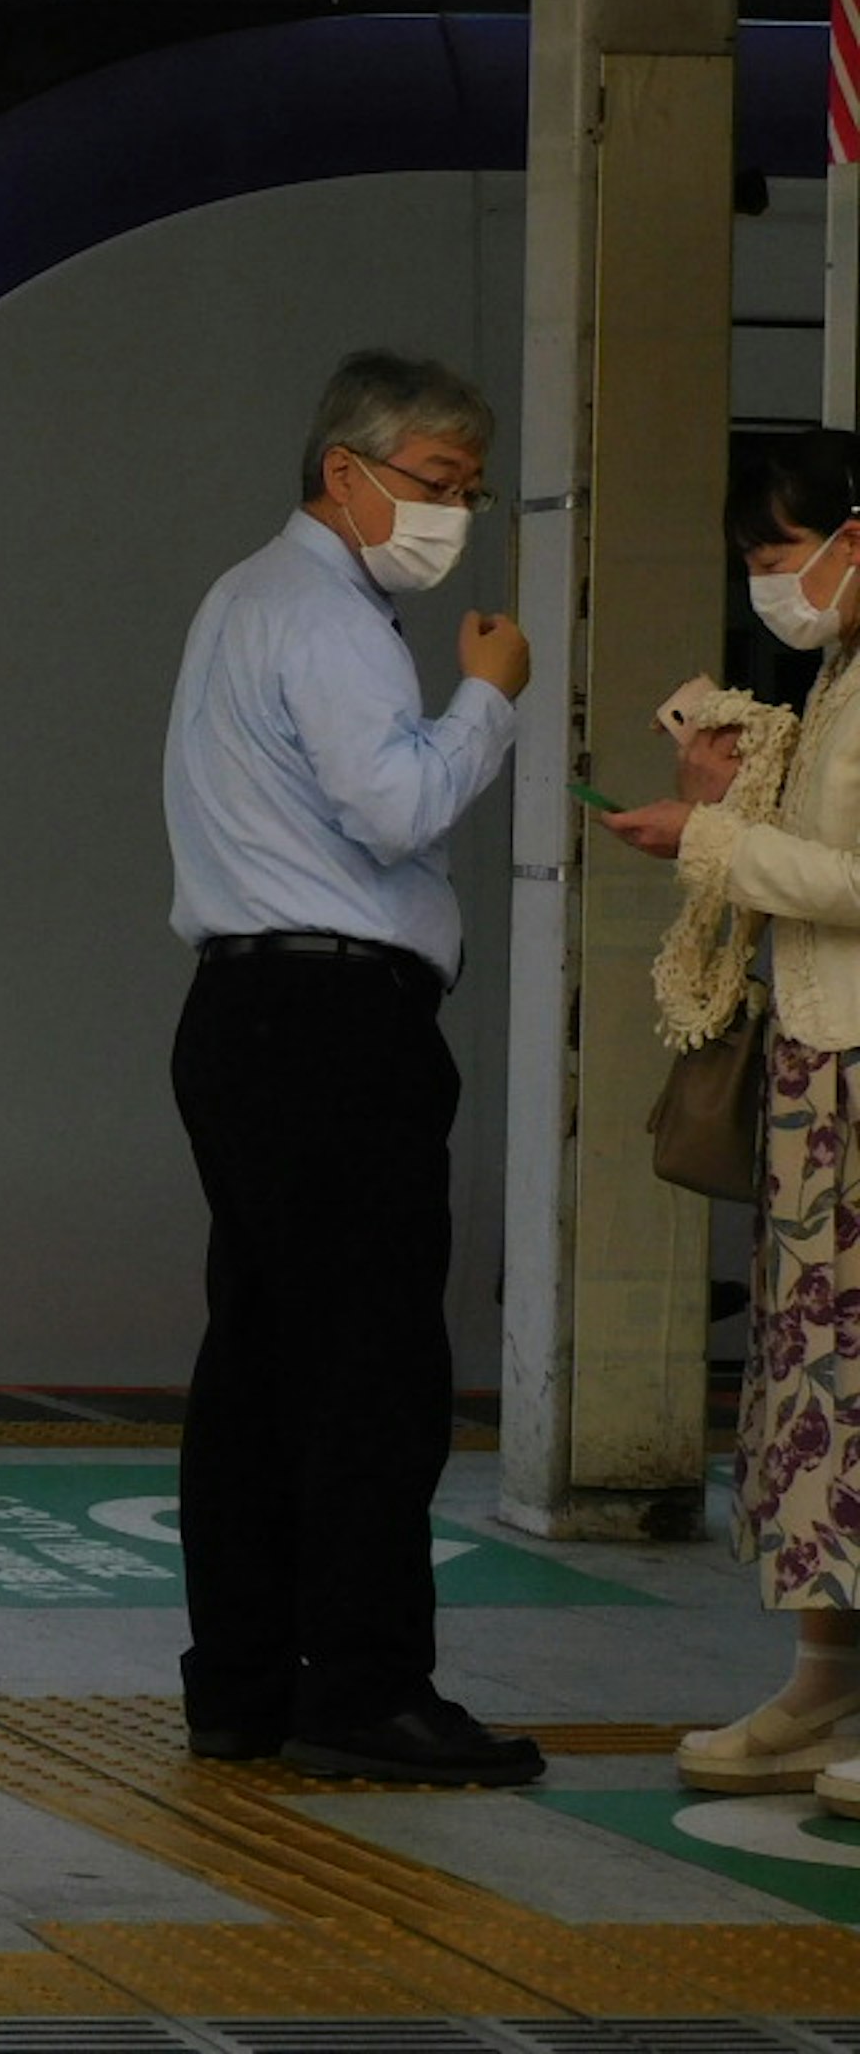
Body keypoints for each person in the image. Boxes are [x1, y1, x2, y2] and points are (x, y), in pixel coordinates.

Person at [160, 350, 541, 1785]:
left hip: (244, 1018)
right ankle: (367, 1690)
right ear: (347, 473)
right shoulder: (328, 617)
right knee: (373, 1366)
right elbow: (394, 808)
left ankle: (242, 1686)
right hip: (333, 1026)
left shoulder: (241, 601)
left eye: (469, 489)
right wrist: (489, 698)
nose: (457, 515)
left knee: (258, 1363)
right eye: (439, 485)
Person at [597, 430, 860, 1800]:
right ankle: (824, 1682)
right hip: (825, 1075)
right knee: (817, 1383)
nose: (774, 587)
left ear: (851, 539)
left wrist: (699, 838)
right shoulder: (836, 669)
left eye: (777, 558)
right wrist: (723, 781)